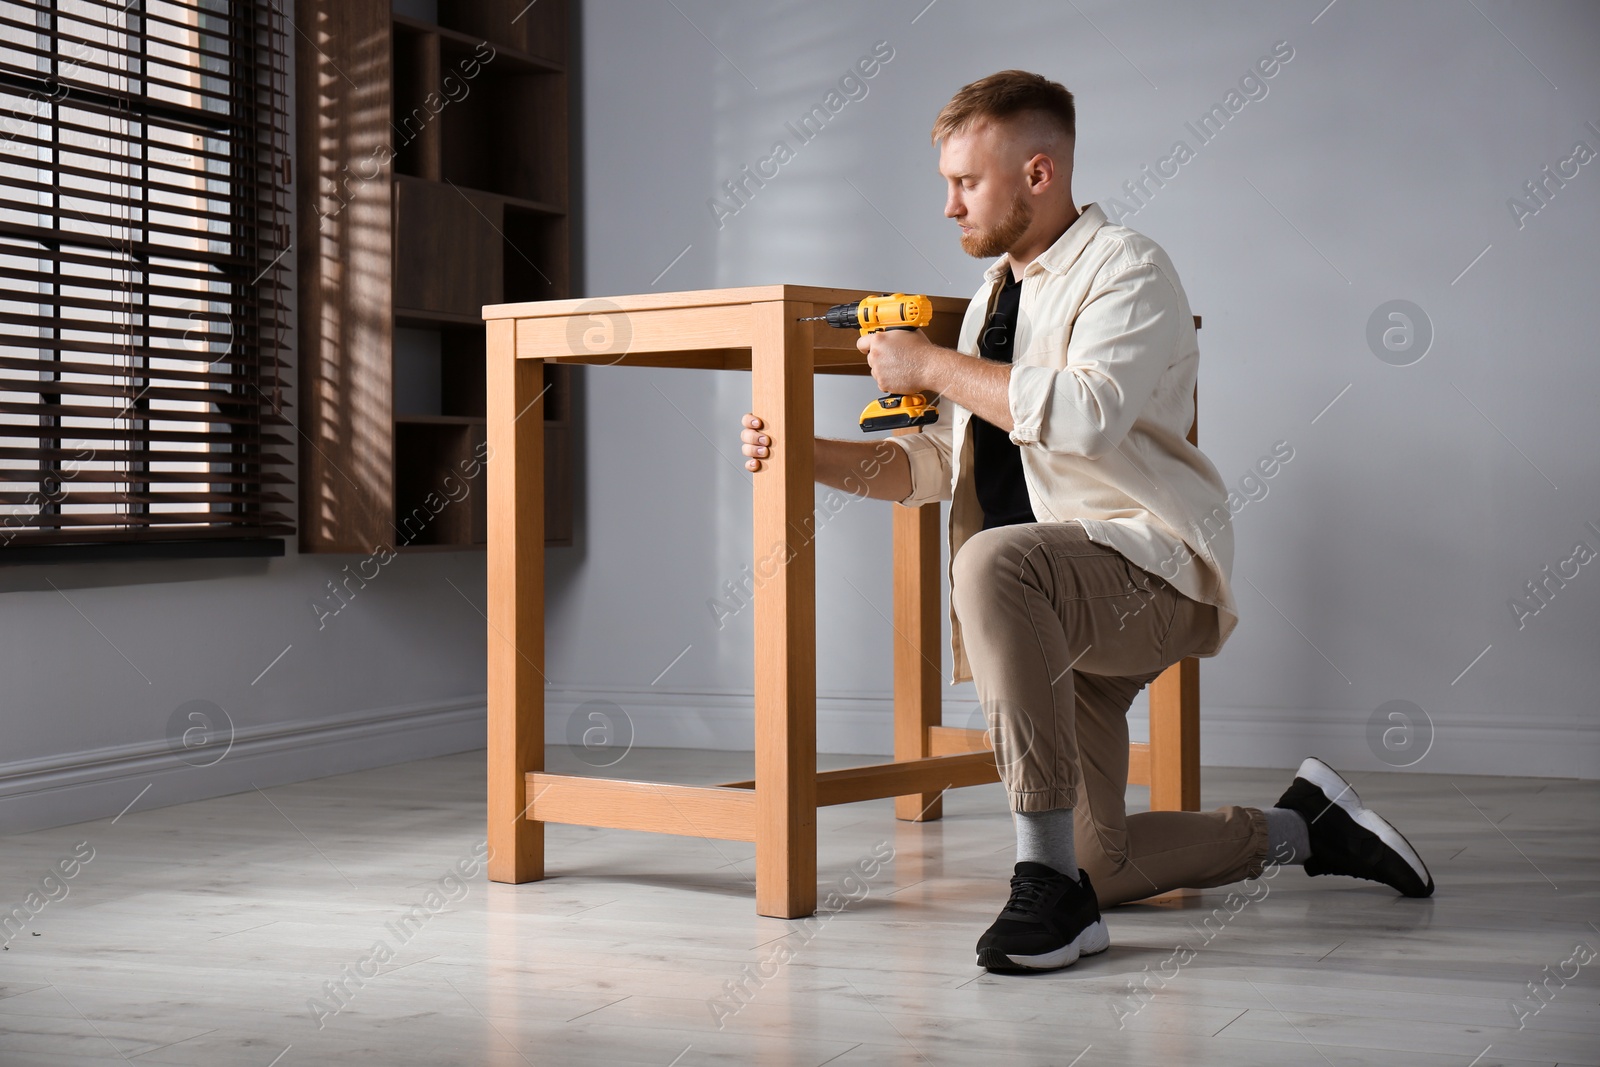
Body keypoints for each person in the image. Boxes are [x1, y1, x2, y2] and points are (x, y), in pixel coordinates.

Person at [739, 69, 1433, 975]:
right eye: (945, 183)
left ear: (1038, 173)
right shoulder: (996, 299)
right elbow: (940, 466)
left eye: (966, 182)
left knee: (990, 565)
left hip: (1148, 571)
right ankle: (1308, 825)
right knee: (1105, 860)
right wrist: (805, 452)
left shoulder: (1128, 268)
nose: (948, 206)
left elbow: (1084, 415)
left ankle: (1042, 888)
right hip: (1056, 618)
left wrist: (931, 367)